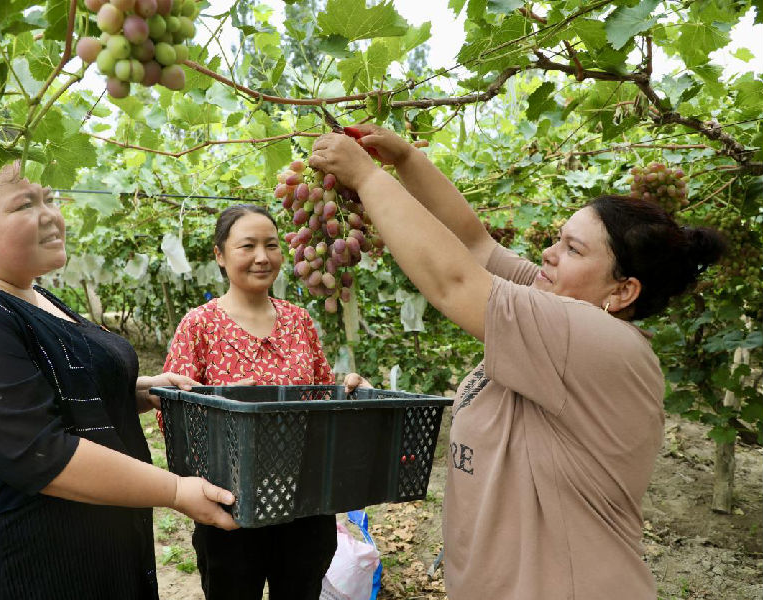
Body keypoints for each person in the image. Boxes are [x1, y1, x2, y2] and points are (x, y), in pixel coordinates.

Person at [309, 126, 727, 600]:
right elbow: (474, 244)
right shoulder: (553, 303)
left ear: (623, 291)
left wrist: (365, 176)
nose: (548, 253)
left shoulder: (597, 340)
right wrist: (404, 159)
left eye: (573, 249)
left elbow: (455, 282)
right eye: (558, 238)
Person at [0, 154, 237, 600]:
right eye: (24, 205)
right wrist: (175, 490)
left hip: (92, 558)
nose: (51, 216)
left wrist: (136, 390)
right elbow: (38, 451)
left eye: (49, 198)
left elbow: (51, 383)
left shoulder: (32, 295)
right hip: (18, 568)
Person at [159, 204, 367, 600]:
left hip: (305, 498)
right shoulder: (199, 325)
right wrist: (222, 406)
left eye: (271, 245)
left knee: (301, 589)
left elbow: (322, 393)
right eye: (247, 246)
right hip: (230, 506)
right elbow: (174, 418)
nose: (261, 257)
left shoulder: (299, 320)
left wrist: (349, 388)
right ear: (220, 255)